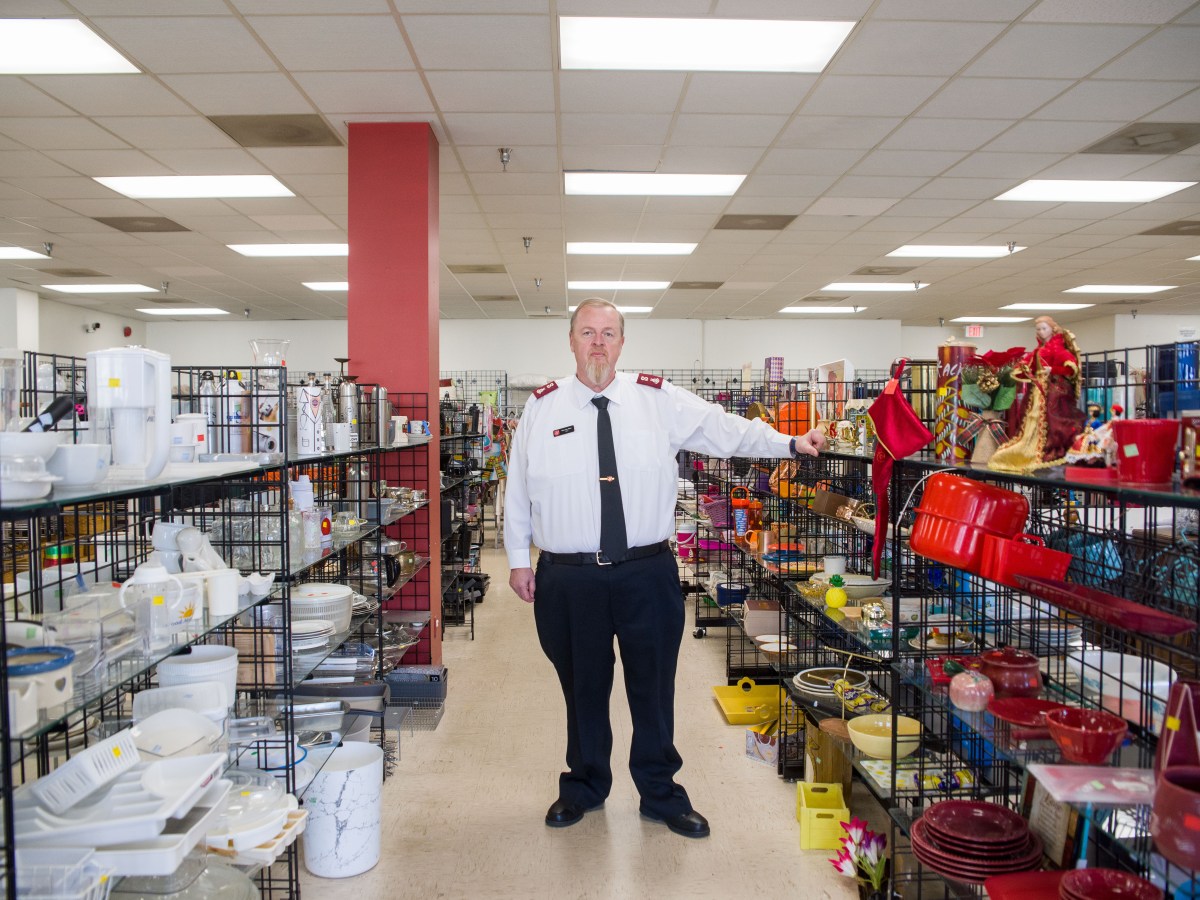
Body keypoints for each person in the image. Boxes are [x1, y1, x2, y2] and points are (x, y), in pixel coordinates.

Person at [504, 299, 826, 838]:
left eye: (609, 333)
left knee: (652, 687)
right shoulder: (542, 408)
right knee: (582, 687)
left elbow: (725, 431)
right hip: (569, 577)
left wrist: (789, 442)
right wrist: (518, 559)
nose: (598, 343)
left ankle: (660, 793)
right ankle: (584, 785)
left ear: (623, 343)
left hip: (645, 574)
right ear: (572, 341)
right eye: (588, 332)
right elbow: (517, 490)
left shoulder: (657, 401)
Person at [988, 315, 1087, 474]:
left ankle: (1049, 450)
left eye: (1044, 328)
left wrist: (1052, 370)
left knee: (1052, 421)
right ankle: (1031, 448)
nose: (1041, 332)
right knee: (1034, 420)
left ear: (1052, 329)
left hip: (1053, 391)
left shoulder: (1058, 348)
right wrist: (1023, 369)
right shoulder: (1040, 349)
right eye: (1039, 329)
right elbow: (1029, 366)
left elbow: (1070, 368)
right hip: (1039, 391)